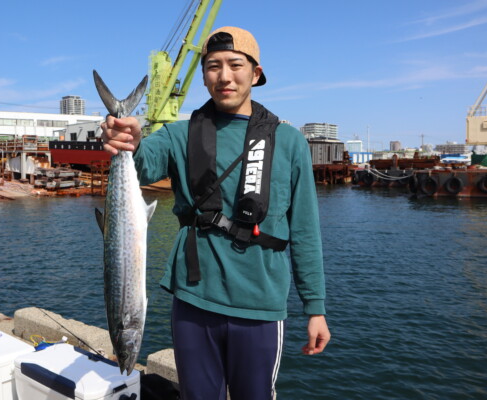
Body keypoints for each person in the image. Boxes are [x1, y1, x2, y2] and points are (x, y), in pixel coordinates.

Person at [102, 26, 330, 400]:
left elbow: (305, 231)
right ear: (204, 76)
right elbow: (141, 165)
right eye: (213, 66)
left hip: (259, 304)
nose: (224, 76)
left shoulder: (288, 142)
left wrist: (315, 308)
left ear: (256, 74)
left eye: (235, 65)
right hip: (193, 300)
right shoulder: (180, 135)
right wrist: (127, 139)